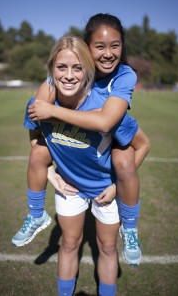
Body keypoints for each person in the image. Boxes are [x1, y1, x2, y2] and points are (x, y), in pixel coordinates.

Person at [27, 13, 151, 266]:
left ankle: (130, 228)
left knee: (124, 162)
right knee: (42, 151)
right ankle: (35, 215)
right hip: (84, 143)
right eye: (99, 47)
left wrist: (117, 186)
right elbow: (38, 110)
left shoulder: (124, 75)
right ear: (86, 49)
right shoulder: (74, 70)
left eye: (115, 46)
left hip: (113, 137)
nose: (108, 54)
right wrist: (49, 169)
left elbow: (106, 121)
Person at [24, 35, 122, 296]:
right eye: (61, 67)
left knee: (108, 247)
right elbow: (36, 138)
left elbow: (138, 146)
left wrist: (116, 185)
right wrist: (50, 172)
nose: (68, 75)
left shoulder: (106, 106)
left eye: (77, 67)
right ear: (51, 70)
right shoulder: (40, 104)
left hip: (106, 188)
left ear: (88, 70)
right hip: (70, 186)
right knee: (69, 243)